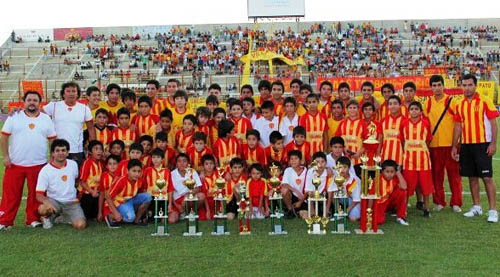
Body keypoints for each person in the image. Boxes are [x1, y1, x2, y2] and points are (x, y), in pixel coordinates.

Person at [0, 91, 56, 230]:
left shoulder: (45, 119)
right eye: (29, 100)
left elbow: (52, 139)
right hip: (15, 163)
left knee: (35, 195)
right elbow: (4, 137)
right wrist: (6, 156)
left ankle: (33, 219)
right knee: (10, 194)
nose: (32, 102)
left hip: (38, 164)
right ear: (24, 102)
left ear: (40, 102)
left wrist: (52, 158)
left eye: (35, 100)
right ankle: (5, 220)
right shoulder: (14, 116)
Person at [452, 74, 499, 223]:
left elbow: (493, 123)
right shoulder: (460, 104)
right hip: (466, 145)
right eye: (464, 85)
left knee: (487, 178)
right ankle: (476, 206)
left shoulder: (485, 101)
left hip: (482, 144)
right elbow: (458, 126)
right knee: (472, 177)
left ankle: (493, 211)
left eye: (469, 85)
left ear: (475, 85)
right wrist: (455, 145)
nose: (466, 88)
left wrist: (493, 143)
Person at [424, 75, 462, 212]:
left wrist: (457, 144)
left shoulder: (452, 102)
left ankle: (456, 202)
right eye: (434, 86)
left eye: (439, 85)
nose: (436, 88)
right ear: (431, 87)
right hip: (434, 145)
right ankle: (439, 201)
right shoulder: (427, 103)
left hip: (450, 145)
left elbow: (459, 123)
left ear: (443, 85)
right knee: (436, 175)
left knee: (454, 175)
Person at [36, 139, 86, 230]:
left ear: (67, 153)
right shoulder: (45, 170)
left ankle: (62, 218)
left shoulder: (73, 165)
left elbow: (76, 181)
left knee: (80, 225)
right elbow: (38, 195)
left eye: (63, 150)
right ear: (52, 153)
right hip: (54, 202)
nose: (60, 153)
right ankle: (46, 218)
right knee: (43, 208)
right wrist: (48, 203)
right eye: (57, 150)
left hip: (71, 202)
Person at [44, 82, 95, 167]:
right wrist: (17, 111)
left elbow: (91, 128)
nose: (71, 93)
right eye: (68, 91)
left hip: (76, 150)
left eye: (74, 91)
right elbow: (36, 114)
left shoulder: (84, 109)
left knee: (75, 176)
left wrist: (93, 147)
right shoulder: (54, 106)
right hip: (58, 150)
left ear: (78, 93)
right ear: (63, 94)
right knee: (57, 176)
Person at [401, 101, 434, 217]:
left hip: (423, 160)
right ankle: (403, 209)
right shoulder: (404, 123)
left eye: (416, 109)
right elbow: (402, 140)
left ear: (420, 111)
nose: (414, 111)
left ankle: (426, 208)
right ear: (408, 111)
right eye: (412, 109)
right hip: (409, 161)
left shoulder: (425, 123)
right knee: (407, 186)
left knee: (426, 185)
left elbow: (429, 139)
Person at [105, 159, 152, 227]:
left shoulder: (139, 180)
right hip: (120, 202)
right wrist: (115, 213)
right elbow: (108, 196)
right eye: (134, 171)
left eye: (139, 171)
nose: (137, 174)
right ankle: (111, 217)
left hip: (131, 199)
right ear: (127, 171)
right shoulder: (121, 180)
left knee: (148, 197)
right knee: (130, 218)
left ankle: (136, 220)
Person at [168, 154, 204, 223]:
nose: (182, 163)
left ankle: (191, 212)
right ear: (176, 163)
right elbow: (170, 192)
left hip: (189, 198)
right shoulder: (172, 174)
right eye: (179, 161)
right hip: (176, 201)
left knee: (201, 196)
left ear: (188, 163)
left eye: (184, 161)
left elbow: (198, 188)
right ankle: (181, 213)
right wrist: (177, 205)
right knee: (171, 220)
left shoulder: (192, 171)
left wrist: (187, 195)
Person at [327, 157, 361, 221]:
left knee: (353, 218)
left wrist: (346, 212)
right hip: (342, 199)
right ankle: (339, 211)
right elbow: (331, 193)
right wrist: (327, 209)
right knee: (334, 193)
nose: (342, 170)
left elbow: (356, 200)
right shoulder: (336, 177)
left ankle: (345, 213)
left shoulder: (355, 180)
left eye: (345, 167)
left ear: (349, 168)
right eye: (340, 167)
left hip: (354, 201)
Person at [376, 159, 409, 226]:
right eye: (387, 171)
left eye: (392, 172)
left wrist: (398, 173)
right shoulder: (377, 179)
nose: (389, 174)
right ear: (382, 171)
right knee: (379, 221)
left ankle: (401, 216)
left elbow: (404, 187)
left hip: (390, 202)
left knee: (402, 191)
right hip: (380, 202)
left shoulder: (395, 178)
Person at [79, 140, 104, 220]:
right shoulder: (87, 163)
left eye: (100, 149)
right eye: (96, 149)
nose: (99, 151)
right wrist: (91, 191)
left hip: (97, 193)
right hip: (86, 193)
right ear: (90, 151)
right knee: (84, 217)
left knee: (94, 216)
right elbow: (82, 182)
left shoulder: (101, 163)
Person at [380, 95, 406, 167]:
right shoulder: (383, 121)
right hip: (385, 156)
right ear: (388, 106)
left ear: (400, 105)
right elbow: (380, 139)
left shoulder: (405, 121)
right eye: (390, 104)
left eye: (395, 103)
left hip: (400, 157)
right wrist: (378, 154)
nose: (393, 106)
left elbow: (405, 141)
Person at [281, 150, 307, 219]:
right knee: (284, 190)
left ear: (301, 160)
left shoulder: (307, 171)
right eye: (291, 159)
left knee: (305, 216)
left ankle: (298, 212)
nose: (293, 161)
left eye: (296, 158)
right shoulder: (288, 170)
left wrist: (301, 202)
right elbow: (284, 184)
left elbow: (309, 188)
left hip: (304, 197)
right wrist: (295, 190)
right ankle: (290, 210)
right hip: (292, 196)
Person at [97, 154, 120, 223]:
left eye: (114, 163)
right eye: (110, 164)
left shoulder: (122, 176)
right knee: (110, 217)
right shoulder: (104, 176)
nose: (112, 166)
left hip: (120, 203)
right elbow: (101, 194)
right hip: (108, 204)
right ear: (106, 166)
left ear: (119, 165)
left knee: (122, 217)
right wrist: (99, 212)